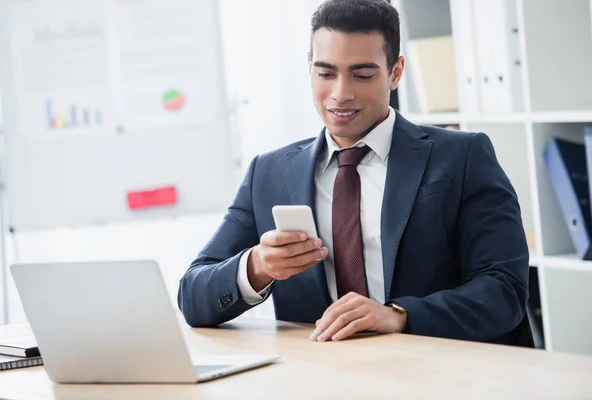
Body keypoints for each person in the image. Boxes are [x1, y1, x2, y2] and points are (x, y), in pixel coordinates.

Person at [178, 0, 534, 346]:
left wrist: (399, 315)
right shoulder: (268, 173)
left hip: (444, 371)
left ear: (395, 73)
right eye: (326, 73)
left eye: (362, 75)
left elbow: (505, 290)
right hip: (329, 378)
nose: (340, 94)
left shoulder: (463, 156)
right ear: (309, 67)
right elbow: (192, 296)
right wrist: (256, 266)